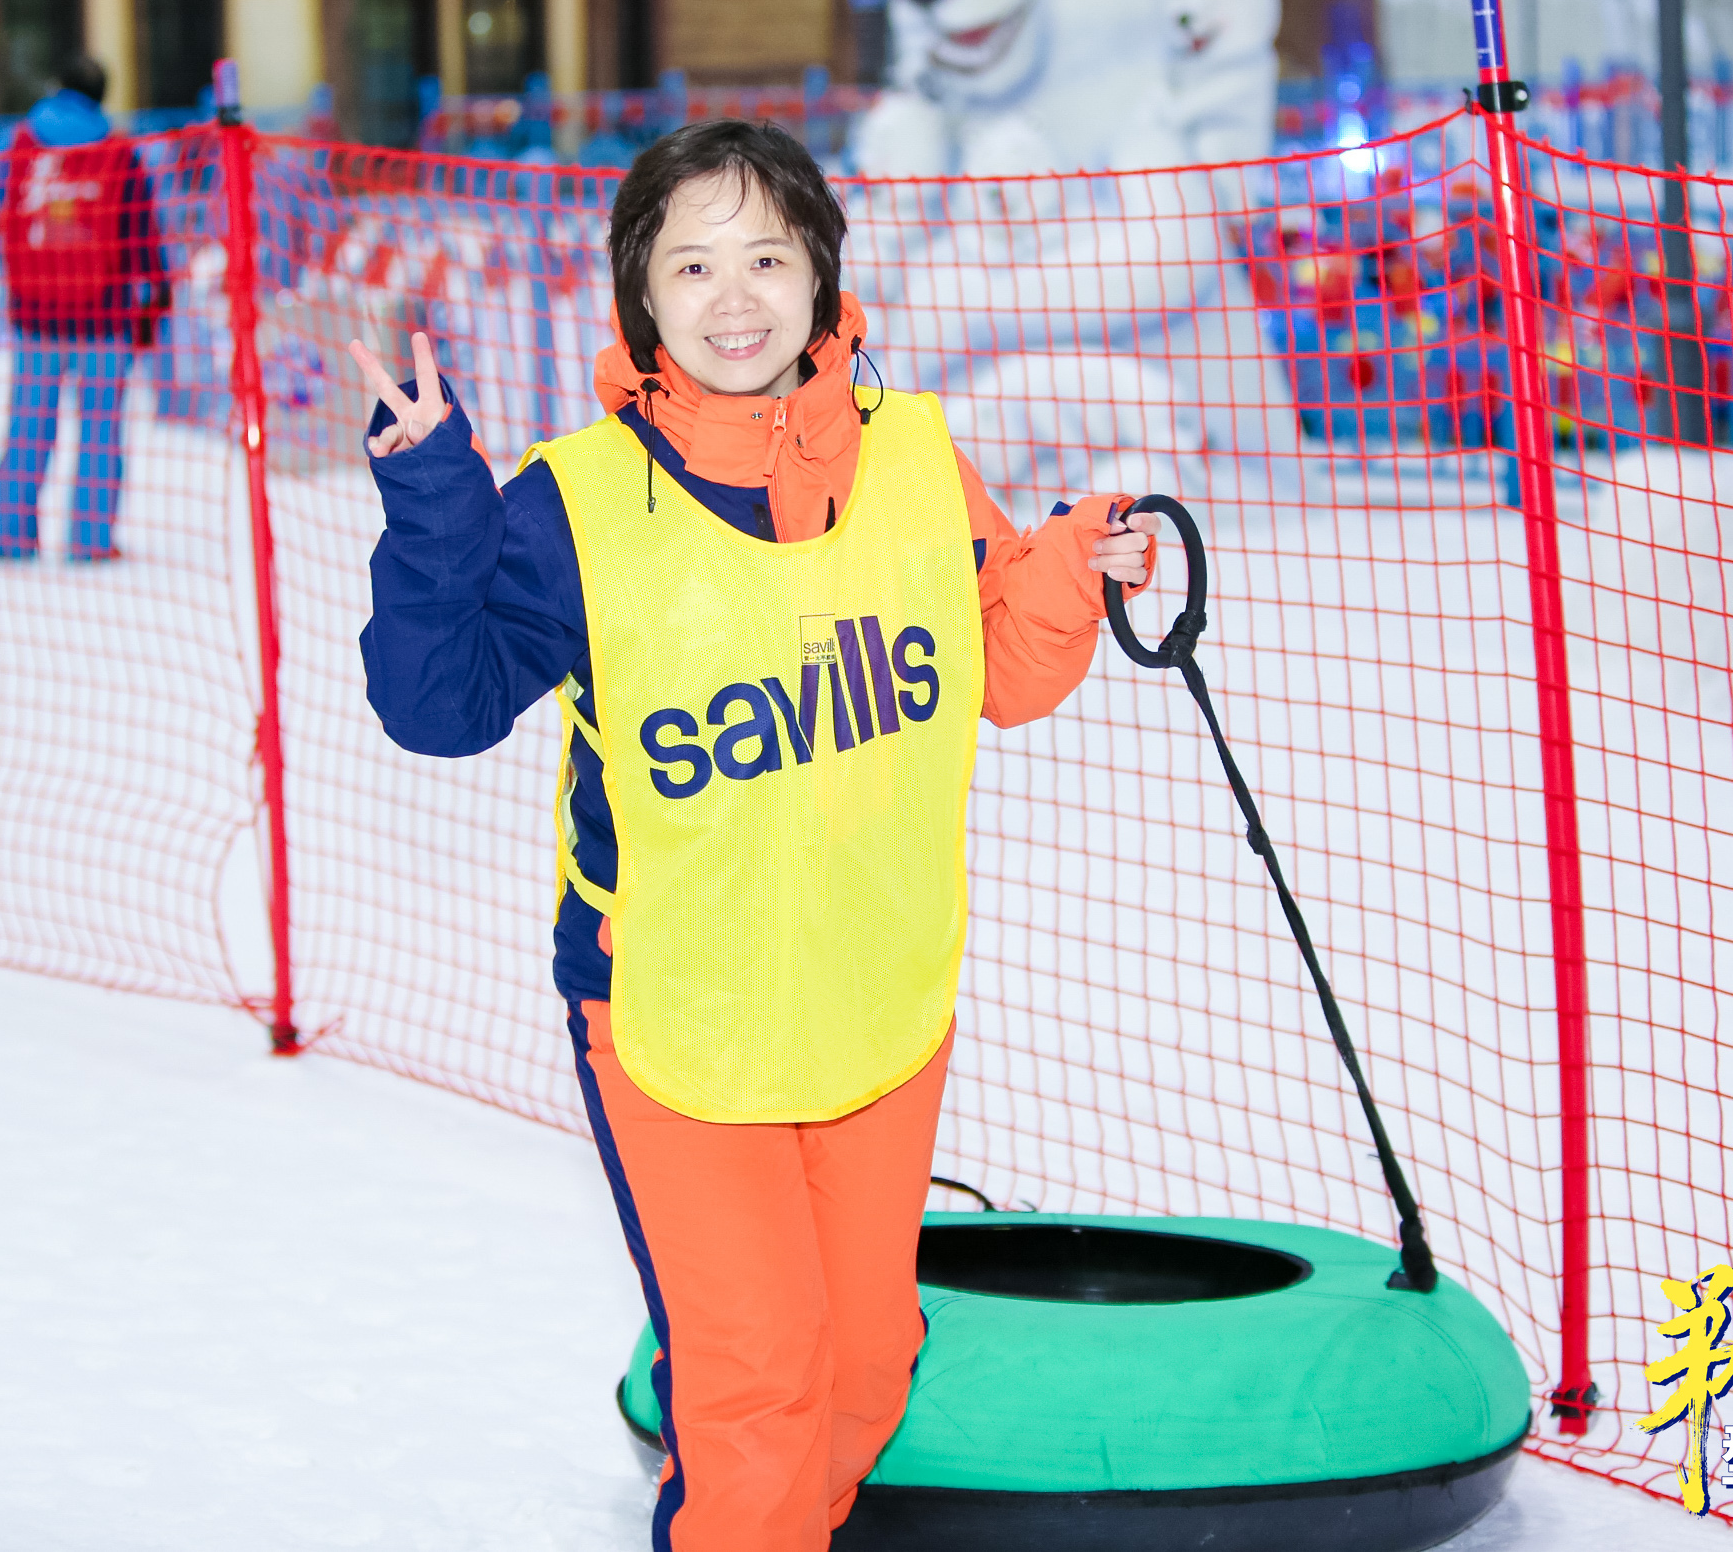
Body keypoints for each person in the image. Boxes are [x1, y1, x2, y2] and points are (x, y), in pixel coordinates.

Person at [353, 119, 1158, 1551]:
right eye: (692, 264)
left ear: (820, 275)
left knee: (866, 1361)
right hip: (676, 1008)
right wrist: (435, 509)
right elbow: (438, 705)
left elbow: (1001, 665)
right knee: (759, 1380)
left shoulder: (913, 455)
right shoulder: (576, 501)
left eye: (768, 258)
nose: (734, 298)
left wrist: (1069, 565)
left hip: (871, 993)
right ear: (641, 295)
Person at [0, 54, 165, 562]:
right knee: (99, 428)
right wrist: (157, 296)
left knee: (28, 424)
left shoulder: (20, 144)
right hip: (103, 314)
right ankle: (90, 540)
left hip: (34, 310)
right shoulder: (119, 152)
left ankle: (11, 534)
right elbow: (140, 232)